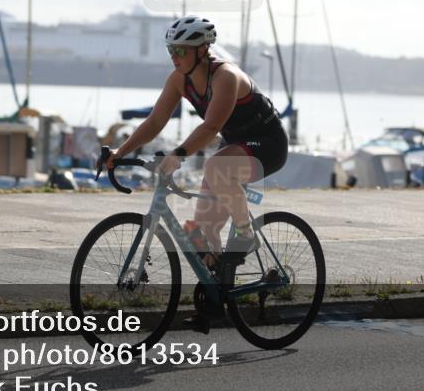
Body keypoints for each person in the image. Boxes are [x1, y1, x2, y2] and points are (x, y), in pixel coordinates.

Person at [105, 16, 288, 263]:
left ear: (202, 50)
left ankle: (246, 235)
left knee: (216, 166)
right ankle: (219, 279)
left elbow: (211, 126)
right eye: (171, 49)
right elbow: (155, 122)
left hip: (268, 143)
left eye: (181, 50)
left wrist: (178, 154)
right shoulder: (179, 79)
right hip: (234, 144)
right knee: (199, 235)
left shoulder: (226, 76)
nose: (174, 56)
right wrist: (120, 151)